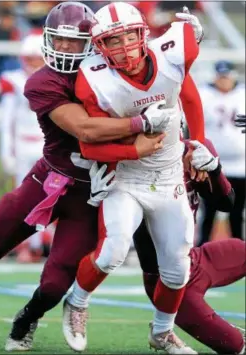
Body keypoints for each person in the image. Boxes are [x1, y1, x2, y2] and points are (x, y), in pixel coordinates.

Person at [0, 2, 166, 352]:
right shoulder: (42, 81)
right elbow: (85, 129)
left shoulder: (114, 73)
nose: (63, 48)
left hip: (92, 193)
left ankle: (27, 318)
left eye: (73, 42)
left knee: (55, 282)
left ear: (92, 44)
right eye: (58, 40)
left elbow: (162, 71)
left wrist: (185, 40)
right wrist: (141, 123)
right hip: (48, 179)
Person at [62, 2, 205, 353]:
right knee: (112, 251)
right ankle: (77, 301)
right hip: (125, 178)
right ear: (99, 47)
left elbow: (186, 92)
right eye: (113, 40)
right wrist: (134, 149)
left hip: (170, 174)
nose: (124, 45)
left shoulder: (173, 53)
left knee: (177, 270)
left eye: (129, 35)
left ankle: (161, 333)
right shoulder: (93, 80)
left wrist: (197, 141)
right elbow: (90, 145)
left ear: (143, 33)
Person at [89, 138, 244, 354]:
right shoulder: (138, 159)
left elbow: (227, 203)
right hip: (167, 282)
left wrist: (214, 169)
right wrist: (100, 201)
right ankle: (163, 330)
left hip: (197, 259)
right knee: (235, 345)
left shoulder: (193, 149)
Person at [0, 33, 47, 262]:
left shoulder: (52, 79)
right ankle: (23, 245)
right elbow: (6, 121)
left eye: (37, 58)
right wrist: (6, 151)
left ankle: (38, 245)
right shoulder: (13, 80)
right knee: (22, 199)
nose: (33, 64)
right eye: (30, 58)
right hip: (21, 144)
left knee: (46, 199)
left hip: (45, 146)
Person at [199, 60, 245, 245]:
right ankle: (201, 252)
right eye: (221, 77)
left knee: (237, 212)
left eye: (227, 77)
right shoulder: (204, 94)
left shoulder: (242, 94)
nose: (224, 81)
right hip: (212, 164)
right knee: (208, 212)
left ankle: (239, 255)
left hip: (241, 165)